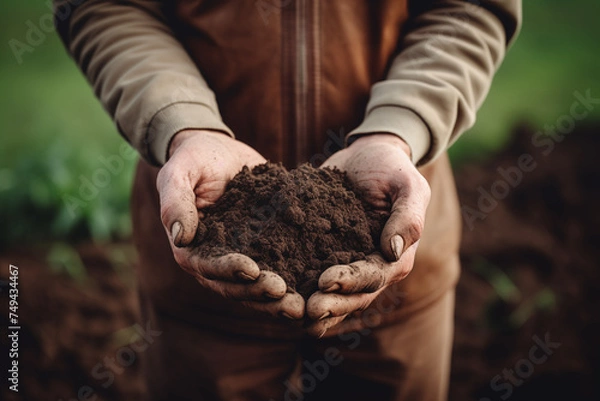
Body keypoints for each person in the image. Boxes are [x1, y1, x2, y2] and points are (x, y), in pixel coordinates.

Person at [55, 0, 521, 400]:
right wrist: (185, 126)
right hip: (203, 259)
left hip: (391, 247)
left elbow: (470, 8)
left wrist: (398, 130)